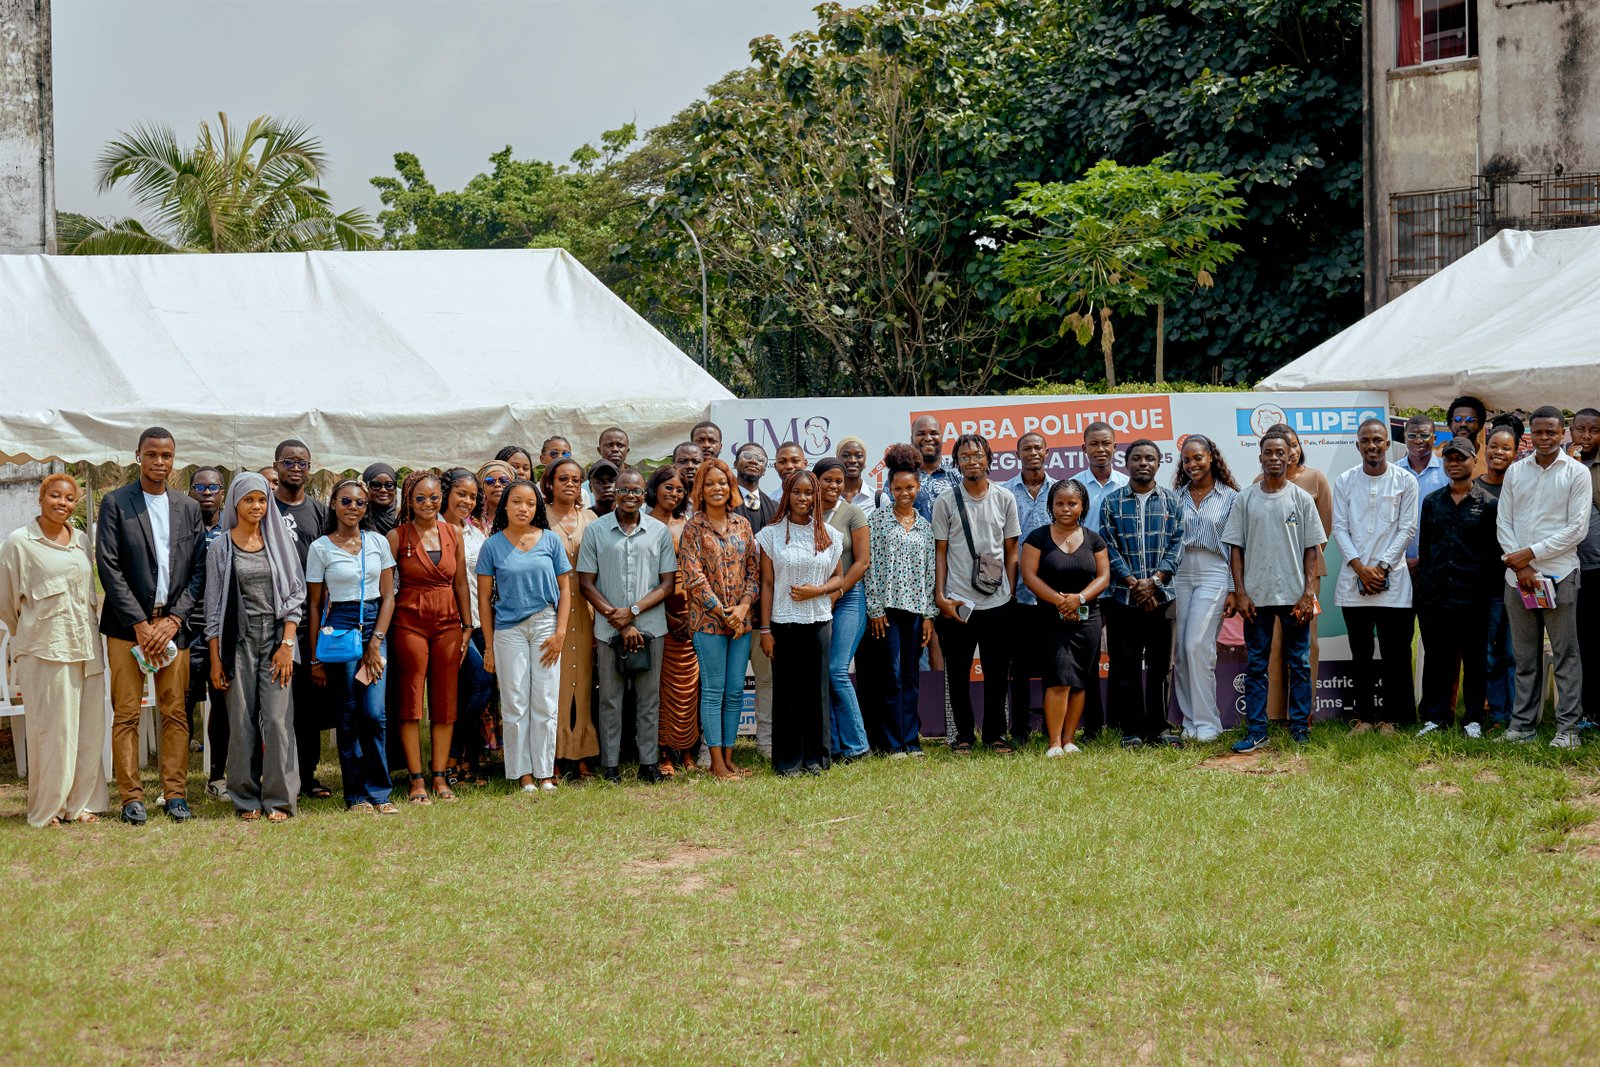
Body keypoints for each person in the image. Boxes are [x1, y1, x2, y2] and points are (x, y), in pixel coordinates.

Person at [97, 427, 208, 825]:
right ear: (138, 456)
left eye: (166, 455)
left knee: (175, 713)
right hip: (128, 627)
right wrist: (141, 624)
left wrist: (174, 618)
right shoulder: (116, 503)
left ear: (173, 460)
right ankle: (131, 798)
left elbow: (198, 571)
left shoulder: (188, 508)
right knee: (126, 713)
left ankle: (175, 794)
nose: (159, 462)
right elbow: (108, 566)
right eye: (152, 454)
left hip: (174, 626)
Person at [0, 473, 108, 827]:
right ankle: (48, 810)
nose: (63, 503)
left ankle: (81, 805)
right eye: (55, 496)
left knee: (88, 727)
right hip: (45, 648)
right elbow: (6, 602)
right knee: (52, 731)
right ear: (40, 498)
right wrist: (30, 633)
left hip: (86, 646)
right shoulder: (19, 543)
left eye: (69, 498)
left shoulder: (80, 539)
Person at [203, 473, 306, 821]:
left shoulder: (280, 542)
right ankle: (246, 798)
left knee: (278, 721)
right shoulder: (221, 547)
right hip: (238, 642)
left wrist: (287, 643)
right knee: (241, 721)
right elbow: (214, 607)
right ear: (235, 502)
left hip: (277, 640)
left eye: (261, 500)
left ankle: (279, 799)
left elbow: (295, 595)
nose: (257, 506)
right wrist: (216, 660)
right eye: (249, 500)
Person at [1222, 431, 1327, 752]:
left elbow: (1313, 550)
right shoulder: (1245, 499)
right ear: (1260, 457)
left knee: (1300, 663)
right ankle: (1257, 730)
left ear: (1290, 455)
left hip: (1295, 598)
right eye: (1268, 452)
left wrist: (1309, 592)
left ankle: (1300, 729)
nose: (1274, 458)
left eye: (1280, 452)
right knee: (1257, 665)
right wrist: (1240, 593)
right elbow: (1235, 550)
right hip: (1256, 599)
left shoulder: (1302, 499)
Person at [1497, 406, 1590, 748]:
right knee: (1524, 656)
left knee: (1565, 654)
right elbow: (1503, 522)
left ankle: (1568, 730)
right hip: (1518, 579)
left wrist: (1531, 554)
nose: (1546, 438)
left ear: (1561, 434)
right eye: (1539, 432)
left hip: (1560, 574)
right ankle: (1522, 727)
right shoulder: (1516, 471)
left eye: (1552, 432)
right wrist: (1521, 566)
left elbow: (1576, 529)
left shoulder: (1576, 474)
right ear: (1530, 435)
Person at [580, 467, 678, 783]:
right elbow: (586, 583)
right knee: (610, 699)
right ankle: (610, 766)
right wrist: (618, 620)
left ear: (644, 492)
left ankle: (648, 764)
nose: (630, 496)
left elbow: (667, 585)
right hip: (609, 631)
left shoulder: (659, 532)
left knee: (648, 700)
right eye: (623, 490)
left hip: (651, 627)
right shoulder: (596, 531)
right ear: (614, 493)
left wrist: (632, 612)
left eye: (635, 490)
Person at [307, 480, 398, 813]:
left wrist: (376, 641)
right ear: (333, 504)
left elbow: (389, 596)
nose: (353, 507)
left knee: (374, 713)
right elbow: (315, 605)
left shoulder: (377, 542)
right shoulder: (320, 548)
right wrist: (316, 655)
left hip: (375, 621)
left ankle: (380, 792)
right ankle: (356, 795)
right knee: (348, 714)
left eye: (360, 503)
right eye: (346, 501)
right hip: (340, 624)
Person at [478, 480, 573, 791]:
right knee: (515, 702)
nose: (523, 508)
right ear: (505, 505)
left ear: (537, 508)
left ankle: (546, 773)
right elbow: (484, 600)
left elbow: (565, 590)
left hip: (546, 625)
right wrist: (489, 647)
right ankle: (524, 775)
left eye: (530, 503)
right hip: (509, 632)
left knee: (545, 700)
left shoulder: (550, 541)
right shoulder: (492, 546)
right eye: (517, 502)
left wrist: (560, 633)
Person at [387, 471, 473, 803]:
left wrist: (467, 625)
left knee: (445, 699)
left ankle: (440, 777)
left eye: (434, 498)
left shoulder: (453, 533)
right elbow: (387, 589)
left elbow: (461, 582)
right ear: (409, 500)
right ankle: (416, 779)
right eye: (420, 498)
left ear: (442, 499)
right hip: (409, 624)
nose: (428, 504)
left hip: (448, 624)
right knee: (410, 702)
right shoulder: (397, 536)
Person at [933, 433, 1020, 754]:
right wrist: (941, 597)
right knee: (957, 674)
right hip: (957, 603)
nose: (972, 461)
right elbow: (940, 552)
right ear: (956, 464)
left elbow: (1012, 550)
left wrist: (1008, 590)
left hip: (998, 603)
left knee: (998, 674)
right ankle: (964, 736)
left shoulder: (1004, 498)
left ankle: (996, 734)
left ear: (989, 459)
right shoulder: (946, 501)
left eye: (978, 455)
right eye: (965, 456)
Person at [1331, 418, 1420, 734]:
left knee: (1395, 654)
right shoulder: (1344, 481)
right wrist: (1359, 568)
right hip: (1354, 580)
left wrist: (1380, 569)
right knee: (1361, 654)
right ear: (1358, 446)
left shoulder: (1405, 481)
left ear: (1387, 444)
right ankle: (1365, 718)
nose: (1372, 445)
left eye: (1378, 440)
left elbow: (1407, 528)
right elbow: (1339, 527)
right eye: (1366, 440)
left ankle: (1392, 719)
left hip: (1392, 581)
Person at [1099, 439, 1186, 747]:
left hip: (1163, 597)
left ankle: (1159, 729)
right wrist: (1135, 583)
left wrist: (1155, 581)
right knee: (1126, 665)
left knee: (1162, 666)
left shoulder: (1173, 501)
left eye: (1150, 458)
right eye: (1137, 458)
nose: (1143, 463)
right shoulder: (1112, 502)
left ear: (1158, 463)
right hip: (1124, 597)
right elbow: (1108, 546)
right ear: (1127, 462)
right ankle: (1132, 730)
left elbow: (1178, 545)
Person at [758, 469, 845, 776]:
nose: (803, 498)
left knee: (816, 693)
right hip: (783, 624)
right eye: (797, 492)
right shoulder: (770, 535)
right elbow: (767, 584)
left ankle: (816, 760)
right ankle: (787, 762)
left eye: (809, 493)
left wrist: (817, 591)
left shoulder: (830, 535)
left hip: (819, 622)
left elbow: (839, 579)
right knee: (787, 694)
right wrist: (765, 629)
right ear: (787, 495)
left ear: (816, 497)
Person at [678, 458, 759, 781]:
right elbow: (693, 577)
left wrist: (742, 608)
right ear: (700, 489)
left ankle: (729, 759)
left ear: (731, 487)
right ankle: (715, 764)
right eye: (709, 483)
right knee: (713, 691)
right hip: (708, 624)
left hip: (741, 622)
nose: (717, 488)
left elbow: (754, 570)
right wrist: (724, 612)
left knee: (735, 691)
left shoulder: (743, 525)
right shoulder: (693, 527)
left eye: (722, 483)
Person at [1020, 480, 1110, 756]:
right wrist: (1060, 601)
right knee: (1059, 678)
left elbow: (1104, 577)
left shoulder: (1094, 539)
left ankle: (1070, 740)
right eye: (1059, 503)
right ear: (1051, 506)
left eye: (1072, 503)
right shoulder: (1037, 537)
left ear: (1082, 505)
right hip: (1050, 618)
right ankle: (1054, 742)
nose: (1065, 508)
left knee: (1080, 680)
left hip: (1087, 618)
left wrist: (1078, 599)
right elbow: (1029, 576)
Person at [1415, 437, 1498, 737]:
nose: (1454, 463)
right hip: (1435, 595)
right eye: (1449, 458)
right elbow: (1426, 548)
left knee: (1475, 660)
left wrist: (1484, 592)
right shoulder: (1431, 502)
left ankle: (1473, 717)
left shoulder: (1488, 504)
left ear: (1473, 461)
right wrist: (1426, 586)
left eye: (1460, 458)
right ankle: (1435, 717)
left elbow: (1493, 554)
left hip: (1473, 597)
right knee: (1438, 658)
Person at [1255, 422, 1334, 723]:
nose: (1288, 451)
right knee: (1275, 642)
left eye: (1293, 444)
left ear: (1297, 448)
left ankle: (1305, 714)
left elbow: (1324, 527)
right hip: (1270, 575)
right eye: (1277, 447)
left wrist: (1303, 561)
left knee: (1306, 642)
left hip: (1308, 573)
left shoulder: (1315, 479)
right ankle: (1275, 713)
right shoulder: (1257, 483)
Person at [864, 444, 936, 757]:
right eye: (898, 488)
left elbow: (930, 573)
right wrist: (875, 609)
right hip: (887, 611)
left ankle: (911, 740)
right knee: (890, 677)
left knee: (910, 676)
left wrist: (930, 615)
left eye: (910, 487)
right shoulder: (877, 521)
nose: (904, 493)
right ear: (889, 489)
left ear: (918, 487)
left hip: (917, 611)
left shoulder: (925, 526)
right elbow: (870, 569)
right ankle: (892, 743)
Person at [271, 439, 333, 800]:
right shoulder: (265, 509)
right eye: (289, 461)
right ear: (276, 466)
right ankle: (277, 775)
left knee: (307, 708)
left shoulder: (321, 512)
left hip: (309, 621)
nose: (296, 467)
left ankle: (307, 776)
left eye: (303, 462)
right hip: (270, 620)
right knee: (275, 707)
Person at [1171, 435, 1239, 742]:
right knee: (1182, 654)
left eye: (1198, 457)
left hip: (1214, 571)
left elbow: (1238, 547)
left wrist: (1234, 588)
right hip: (1180, 573)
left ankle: (1209, 724)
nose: (1192, 464)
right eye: (1186, 460)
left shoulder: (1231, 497)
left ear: (1211, 457)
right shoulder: (1174, 498)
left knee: (1197, 646)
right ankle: (1190, 724)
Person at [543, 457, 600, 777]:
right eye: (563, 478)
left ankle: (580, 753)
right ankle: (550, 754)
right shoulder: (539, 519)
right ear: (549, 482)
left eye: (576, 479)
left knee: (582, 684)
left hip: (587, 612)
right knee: (555, 686)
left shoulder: (590, 519)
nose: (569, 484)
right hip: (551, 613)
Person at [1069, 421, 1126, 737]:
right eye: (1094, 444)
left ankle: (1118, 723)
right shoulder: (1074, 487)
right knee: (1086, 658)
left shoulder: (1128, 484)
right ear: (1084, 449)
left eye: (1106, 443)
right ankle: (1091, 726)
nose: (1100, 449)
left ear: (1115, 447)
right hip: (1084, 586)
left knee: (1120, 654)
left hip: (1119, 584)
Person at [814, 457, 871, 762]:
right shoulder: (804, 513)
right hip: (813, 599)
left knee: (837, 670)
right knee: (822, 673)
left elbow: (861, 562)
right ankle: (834, 746)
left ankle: (858, 745)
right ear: (815, 481)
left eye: (838, 481)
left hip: (849, 598)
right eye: (827, 480)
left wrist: (837, 590)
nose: (834, 486)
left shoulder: (852, 513)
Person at [441, 467, 494, 787]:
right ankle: (449, 760)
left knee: (473, 690)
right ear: (446, 492)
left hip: (475, 621)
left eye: (473, 496)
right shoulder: (432, 530)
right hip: (446, 624)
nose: (467, 501)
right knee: (479, 683)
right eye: (461, 494)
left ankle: (463, 762)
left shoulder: (476, 534)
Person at [1002, 432, 1056, 746]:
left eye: (1038, 447)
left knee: (1053, 664)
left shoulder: (1061, 491)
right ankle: (1019, 732)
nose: (1033, 453)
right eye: (1027, 448)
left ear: (1047, 452)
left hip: (1052, 593)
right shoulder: (1005, 491)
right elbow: (997, 544)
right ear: (1017, 453)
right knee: (1018, 667)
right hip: (1015, 593)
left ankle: (1053, 728)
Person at [647, 466, 700, 773]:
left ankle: (687, 752)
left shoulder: (688, 524)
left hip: (690, 614)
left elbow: (696, 573)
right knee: (661, 689)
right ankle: (665, 753)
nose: (674, 494)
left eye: (680, 489)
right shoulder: (642, 523)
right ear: (655, 488)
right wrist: (664, 615)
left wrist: (690, 615)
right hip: (656, 613)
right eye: (668, 487)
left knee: (690, 688)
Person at [732, 442, 778, 760]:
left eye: (760, 459)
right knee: (731, 684)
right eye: (747, 456)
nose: (753, 462)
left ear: (765, 468)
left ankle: (766, 744)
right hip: (731, 612)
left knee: (767, 680)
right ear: (736, 462)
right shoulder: (720, 503)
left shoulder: (774, 508)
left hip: (766, 613)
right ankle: (721, 746)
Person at [185, 466, 229, 796]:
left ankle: (217, 776)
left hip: (221, 633)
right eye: (201, 487)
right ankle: (175, 782)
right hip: (186, 630)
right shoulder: (180, 528)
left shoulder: (233, 528)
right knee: (181, 706)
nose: (207, 493)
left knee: (221, 706)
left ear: (223, 492)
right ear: (190, 491)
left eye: (214, 487)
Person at [1478, 419, 1521, 726]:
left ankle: (1520, 714)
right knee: (1492, 653)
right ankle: (1497, 712)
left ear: (1516, 452)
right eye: (1494, 446)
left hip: (1521, 580)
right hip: (1488, 584)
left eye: (1506, 448)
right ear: (1485, 448)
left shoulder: (1522, 487)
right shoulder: (1474, 486)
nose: (1499, 452)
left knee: (1517, 652)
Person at [1570, 408, 1600, 732]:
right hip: (1569, 569)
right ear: (1572, 431)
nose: (1587, 437)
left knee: (1594, 642)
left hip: (1597, 565)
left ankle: (1594, 711)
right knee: (1576, 643)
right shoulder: (1561, 464)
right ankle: (1579, 710)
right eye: (1581, 429)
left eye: (1594, 430)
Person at [1400, 415, 1448, 575]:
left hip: (1438, 562)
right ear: (1404, 437)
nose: (1418, 440)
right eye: (1412, 436)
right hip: (1398, 565)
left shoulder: (1447, 472)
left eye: (1424, 435)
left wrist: (1424, 557)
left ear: (1434, 438)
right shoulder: (1392, 472)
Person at [911, 415, 960, 521]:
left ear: (942, 438)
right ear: (911, 439)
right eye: (921, 434)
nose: (928, 438)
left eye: (934, 433)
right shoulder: (900, 479)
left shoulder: (958, 476)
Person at [473, 459, 515, 536]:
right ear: (482, 487)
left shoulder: (519, 518)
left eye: (504, 481)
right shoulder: (471, 521)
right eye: (490, 481)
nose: (497, 485)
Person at [363, 463, 401, 535]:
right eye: (376, 485)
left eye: (389, 485)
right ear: (366, 487)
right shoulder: (359, 518)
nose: (383, 490)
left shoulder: (405, 516)